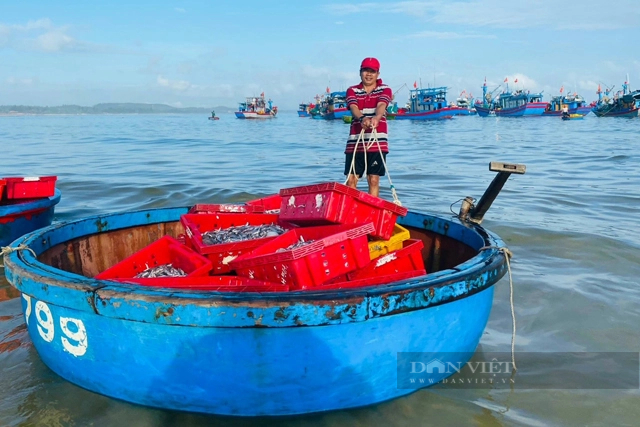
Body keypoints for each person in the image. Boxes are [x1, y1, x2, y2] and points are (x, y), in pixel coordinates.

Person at [344, 57, 393, 197]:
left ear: (378, 74)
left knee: (373, 179)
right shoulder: (352, 90)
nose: (369, 74)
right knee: (351, 179)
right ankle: (351, 212)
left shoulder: (385, 89)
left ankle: (371, 213)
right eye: (366, 70)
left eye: (372, 71)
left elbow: (381, 105)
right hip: (355, 142)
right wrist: (362, 118)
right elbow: (353, 107)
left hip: (377, 142)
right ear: (360, 72)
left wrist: (377, 118)